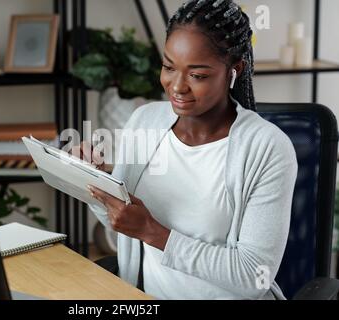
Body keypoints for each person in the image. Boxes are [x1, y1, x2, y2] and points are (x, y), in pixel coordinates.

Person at [84, 0, 298, 300]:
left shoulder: (267, 148)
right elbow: (122, 222)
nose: (177, 87)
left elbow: (254, 275)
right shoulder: (145, 121)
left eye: (197, 75)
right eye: (169, 67)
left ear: (234, 70)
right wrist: (91, 180)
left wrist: (154, 233)